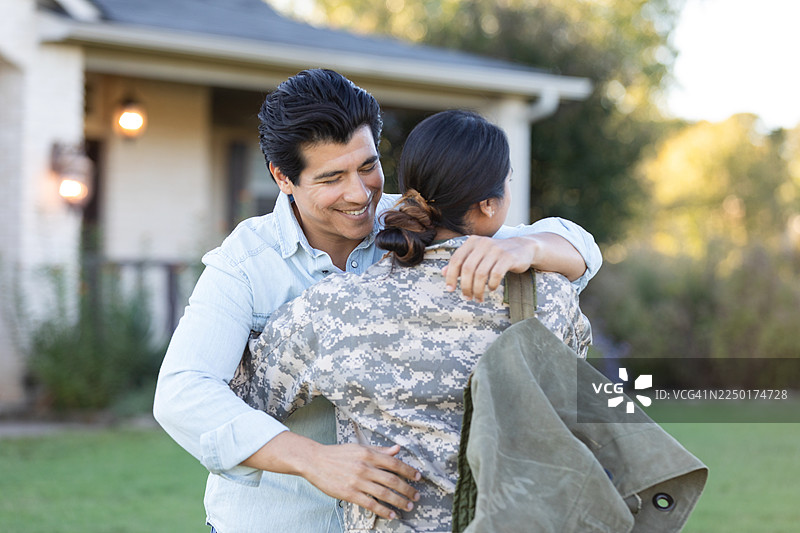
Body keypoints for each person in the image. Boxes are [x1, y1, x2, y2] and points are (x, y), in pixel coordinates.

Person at [153, 69, 601, 533]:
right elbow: (183, 394)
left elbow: (581, 251)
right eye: (331, 177)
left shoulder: (414, 221)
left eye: (367, 166)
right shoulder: (245, 262)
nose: (358, 193)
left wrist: (528, 247)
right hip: (280, 520)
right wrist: (313, 459)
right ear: (283, 177)